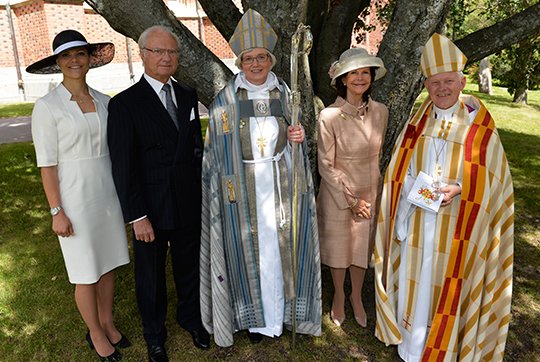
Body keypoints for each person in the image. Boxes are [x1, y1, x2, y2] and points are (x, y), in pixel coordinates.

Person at [373, 33, 514, 361]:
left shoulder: (480, 131)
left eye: (448, 81)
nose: (442, 89)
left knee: (443, 289)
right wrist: (414, 197)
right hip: (419, 224)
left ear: (462, 81)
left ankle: (444, 347)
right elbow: (400, 176)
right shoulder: (416, 127)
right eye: (434, 83)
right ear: (425, 85)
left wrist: (463, 189)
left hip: (457, 233)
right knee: (416, 287)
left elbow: (497, 183)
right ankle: (411, 347)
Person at [199, 9, 322, 348]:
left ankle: (283, 316)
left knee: (279, 251)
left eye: (262, 58)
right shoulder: (225, 102)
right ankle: (254, 320)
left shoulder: (287, 94)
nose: (255, 64)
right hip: (243, 190)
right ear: (240, 62)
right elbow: (216, 154)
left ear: (271, 59)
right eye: (249, 58)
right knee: (252, 253)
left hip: (280, 186)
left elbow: (298, 137)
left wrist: (297, 139)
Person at [107, 25, 208, 362]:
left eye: (172, 52)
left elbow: (195, 148)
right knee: (150, 276)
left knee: (189, 267)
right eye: (158, 51)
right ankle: (155, 334)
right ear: (142, 54)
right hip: (149, 209)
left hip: (188, 202)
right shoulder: (125, 105)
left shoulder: (188, 95)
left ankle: (191, 319)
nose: (166, 57)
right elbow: (123, 166)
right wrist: (137, 216)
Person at [28, 30, 130, 361]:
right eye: (67, 56)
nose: (75, 61)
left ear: (89, 59)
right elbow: (47, 165)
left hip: (107, 194)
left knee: (109, 263)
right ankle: (95, 333)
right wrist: (57, 210)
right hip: (74, 198)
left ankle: (108, 322)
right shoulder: (47, 107)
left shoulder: (105, 101)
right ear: (57, 62)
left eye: (80, 54)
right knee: (86, 271)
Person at [317, 47, 387, 328]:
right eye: (353, 73)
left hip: (370, 189)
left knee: (361, 246)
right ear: (343, 79)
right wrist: (352, 199)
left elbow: (379, 156)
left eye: (365, 72)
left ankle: (356, 296)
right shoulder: (329, 116)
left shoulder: (381, 112)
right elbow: (325, 164)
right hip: (338, 193)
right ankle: (338, 295)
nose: (360, 78)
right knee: (340, 246)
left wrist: (369, 195)